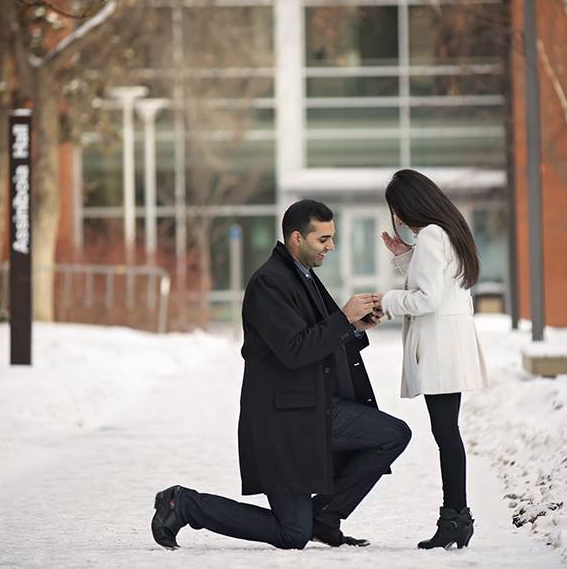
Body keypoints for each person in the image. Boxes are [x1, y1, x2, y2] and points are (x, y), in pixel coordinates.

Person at [151, 199, 411, 550]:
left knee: (392, 434)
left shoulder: (302, 276)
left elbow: (320, 338)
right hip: (284, 422)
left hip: (312, 411)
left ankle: (325, 516)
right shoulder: (269, 284)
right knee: (292, 535)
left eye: (331, 238)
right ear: (295, 239)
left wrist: (354, 326)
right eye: (323, 240)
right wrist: (342, 319)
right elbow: (294, 350)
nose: (331, 247)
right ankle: (182, 504)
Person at [378, 169, 489, 550]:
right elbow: (441, 281)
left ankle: (455, 517)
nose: (399, 218)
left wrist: (386, 300)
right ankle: (457, 515)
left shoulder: (429, 235)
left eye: (397, 209)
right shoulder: (448, 230)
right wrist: (405, 257)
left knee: (446, 436)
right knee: (448, 434)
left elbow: (427, 299)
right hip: (452, 344)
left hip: (439, 348)